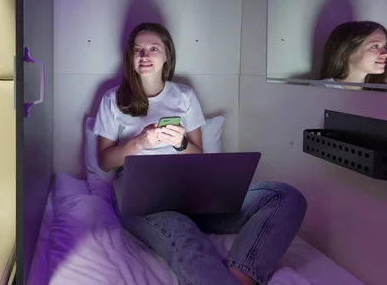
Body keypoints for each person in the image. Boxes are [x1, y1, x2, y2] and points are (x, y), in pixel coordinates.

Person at [93, 22, 307, 285]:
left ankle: (242, 275)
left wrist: (182, 143)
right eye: (137, 50)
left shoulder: (184, 95)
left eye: (153, 49)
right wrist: (138, 143)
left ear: (167, 55)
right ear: (130, 56)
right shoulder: (112, 100)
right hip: (141, 195)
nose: (144, 56)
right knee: (185, 236)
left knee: (285, 196)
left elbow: (198, 156)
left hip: (190, 189)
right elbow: (104, 161)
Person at [319, 21, 387, 90]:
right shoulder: (319, 91)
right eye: (375, 46)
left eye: (385, 47)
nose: (385, 54)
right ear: (346, 52)